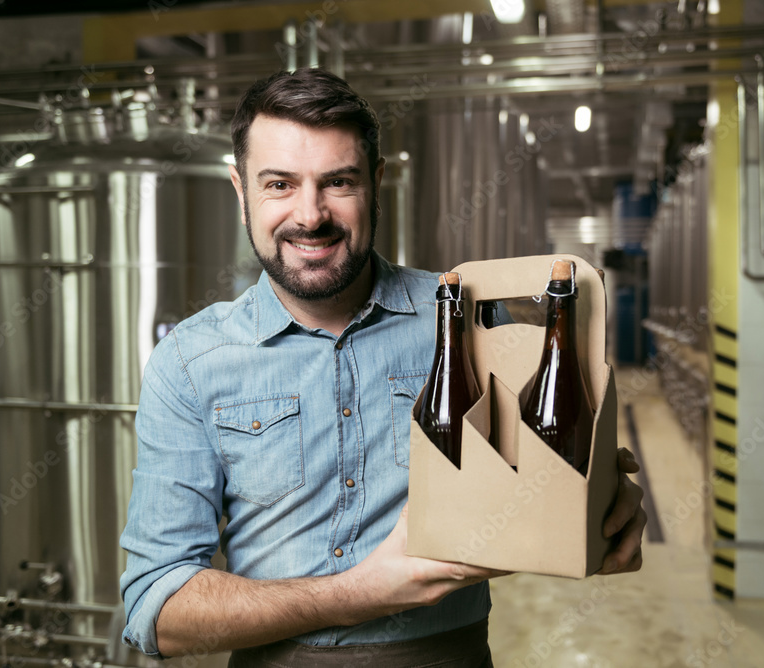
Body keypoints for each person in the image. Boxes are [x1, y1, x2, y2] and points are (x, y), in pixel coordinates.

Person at [119, 68, 646, 668]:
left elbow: (542, 481)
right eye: (280, 184)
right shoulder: (190, 362)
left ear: (377, 183)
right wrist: (362, 593)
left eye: (338, 182)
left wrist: (597, 508)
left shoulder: (464, 319)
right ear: (241, 191)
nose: (310, 214)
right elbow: (156, 609)